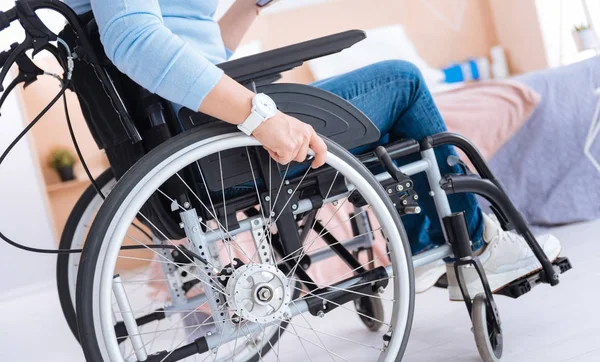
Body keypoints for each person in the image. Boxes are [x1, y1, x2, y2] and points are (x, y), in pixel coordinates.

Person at [62, 0, 561, 299]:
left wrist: (250, 6)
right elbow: (134, 41)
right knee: (401, 80)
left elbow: (202, 55)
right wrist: (260, 116)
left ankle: (433, 242)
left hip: (196, 122)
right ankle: (473, 247)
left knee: (387, 93)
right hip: (212, 130)